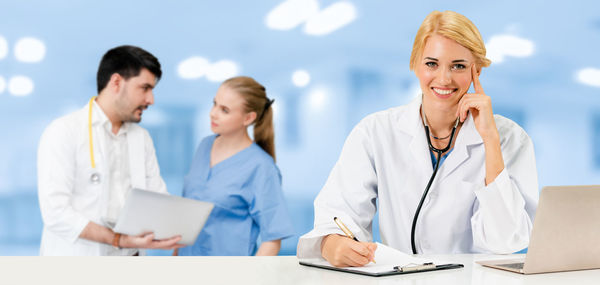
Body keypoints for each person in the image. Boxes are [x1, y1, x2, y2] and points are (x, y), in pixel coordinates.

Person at [297, 10, 539, 267]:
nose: (444, 78)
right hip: (401, 277)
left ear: (476, 71)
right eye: (431, 64)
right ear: (415, 64)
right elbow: (338, 211)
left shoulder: (510, 139)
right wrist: (331, 243)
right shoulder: (375, 132)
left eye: (458, 66)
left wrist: (490, 141)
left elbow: (506, 242)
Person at [37, 45, 183, 255]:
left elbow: (156, 197)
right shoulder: (64, 131)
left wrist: (176, 232)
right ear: (116, 82)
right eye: (144, 88)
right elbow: (55, 213)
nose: (151, 100)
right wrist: (118, 239)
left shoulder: (141, 138)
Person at [176, 76, 294, 256]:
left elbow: (272, 240)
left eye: (224, 110)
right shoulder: (204, 146)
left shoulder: (261, 167)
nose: (213, 113)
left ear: (248, 118)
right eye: (214, 104)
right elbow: (186, 218)